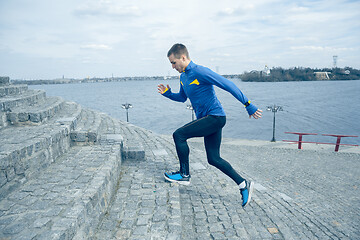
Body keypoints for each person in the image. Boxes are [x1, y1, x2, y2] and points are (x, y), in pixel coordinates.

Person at [158, 43, 262, 207]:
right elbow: (182, 98)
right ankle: (243, 184)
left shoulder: (200, 71)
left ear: (183, 57)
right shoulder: (184, 77)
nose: (172, 67)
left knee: (179, 135)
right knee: (213, 158)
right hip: (209, 120)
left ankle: (184, 174)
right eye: (171, 63)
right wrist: (168, 94)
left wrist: (247, 103)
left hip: (215, 117)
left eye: (173, 62)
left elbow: (227, 85)